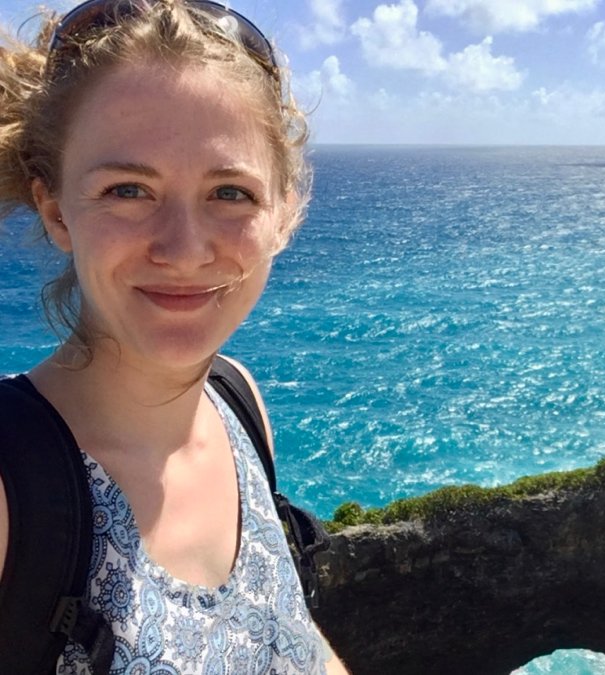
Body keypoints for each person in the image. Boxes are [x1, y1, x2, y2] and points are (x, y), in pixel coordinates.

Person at [0, 0, 348, 672]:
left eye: (230, 193)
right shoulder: (13, 490)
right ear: (56, 211)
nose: (184, 250)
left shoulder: (237, 402)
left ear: (283, 213)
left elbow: (292, 636)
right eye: (129, 189)